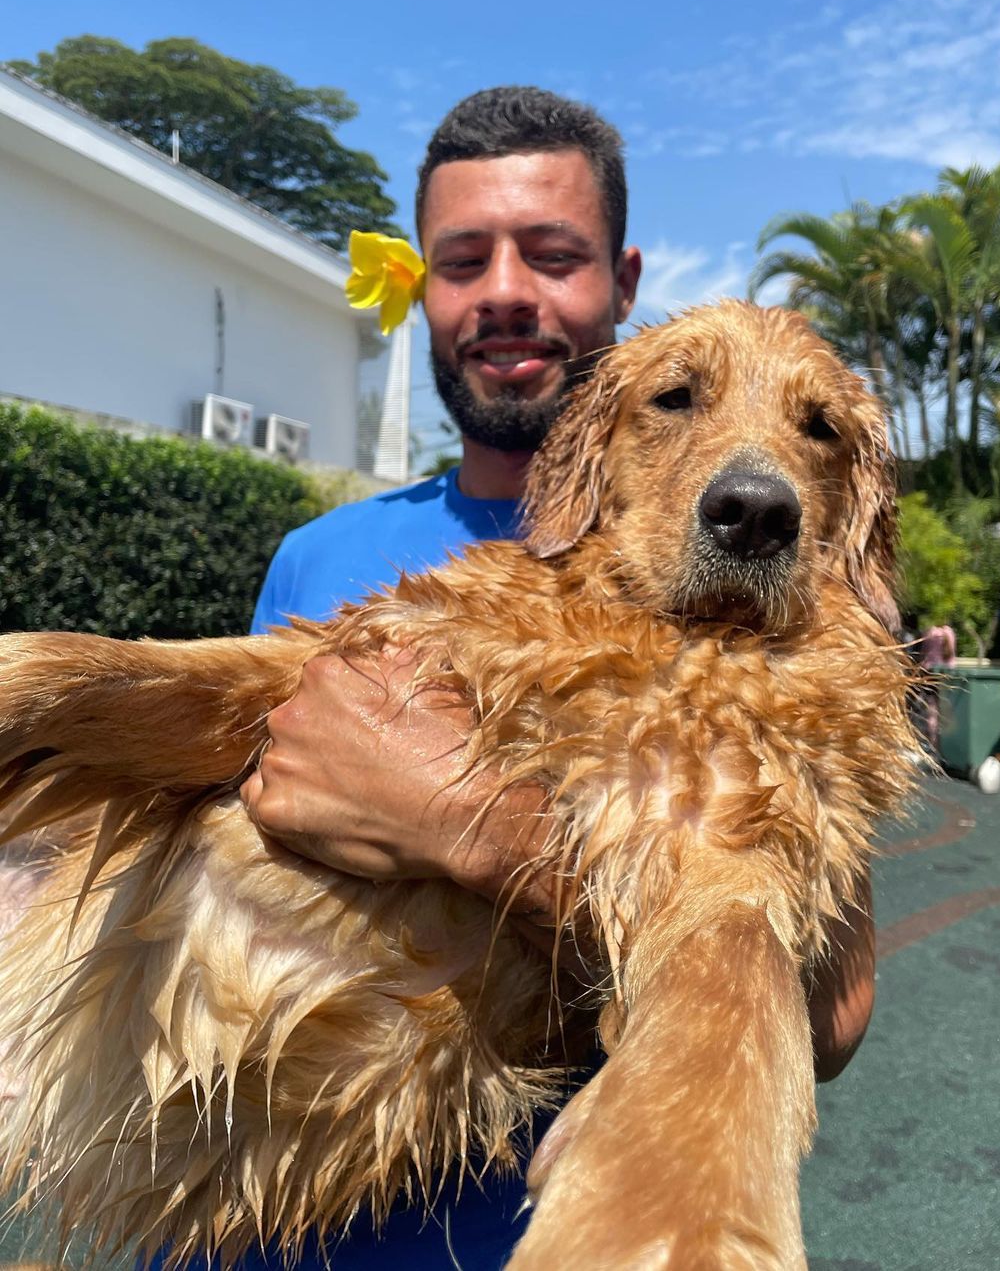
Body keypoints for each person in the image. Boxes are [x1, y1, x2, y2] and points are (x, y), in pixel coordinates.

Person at [241, 86, 876, 1269]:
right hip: (232, 1212)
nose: (504, 293)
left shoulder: (764, 596)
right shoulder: (315, 555)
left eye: (552, 254)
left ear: (623, 284)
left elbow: (832, 1018)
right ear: (422, 287)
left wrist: (473, 832)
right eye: (462, 259)